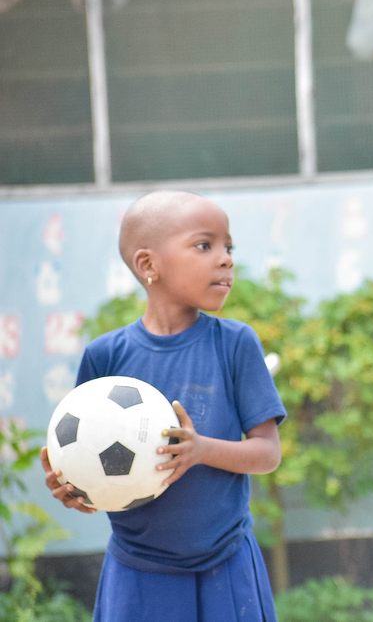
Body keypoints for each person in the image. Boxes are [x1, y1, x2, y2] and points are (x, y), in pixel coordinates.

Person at [41, 190, 286, 622]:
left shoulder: (235, 344)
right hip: (138, 571)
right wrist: (73, 487)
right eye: (204, 245)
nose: (226, 260)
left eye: (229, 247)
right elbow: (84, 461)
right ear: (148, 264)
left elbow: (268, 453)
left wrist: (201, 450)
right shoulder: (105, 357)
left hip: (226, 564)